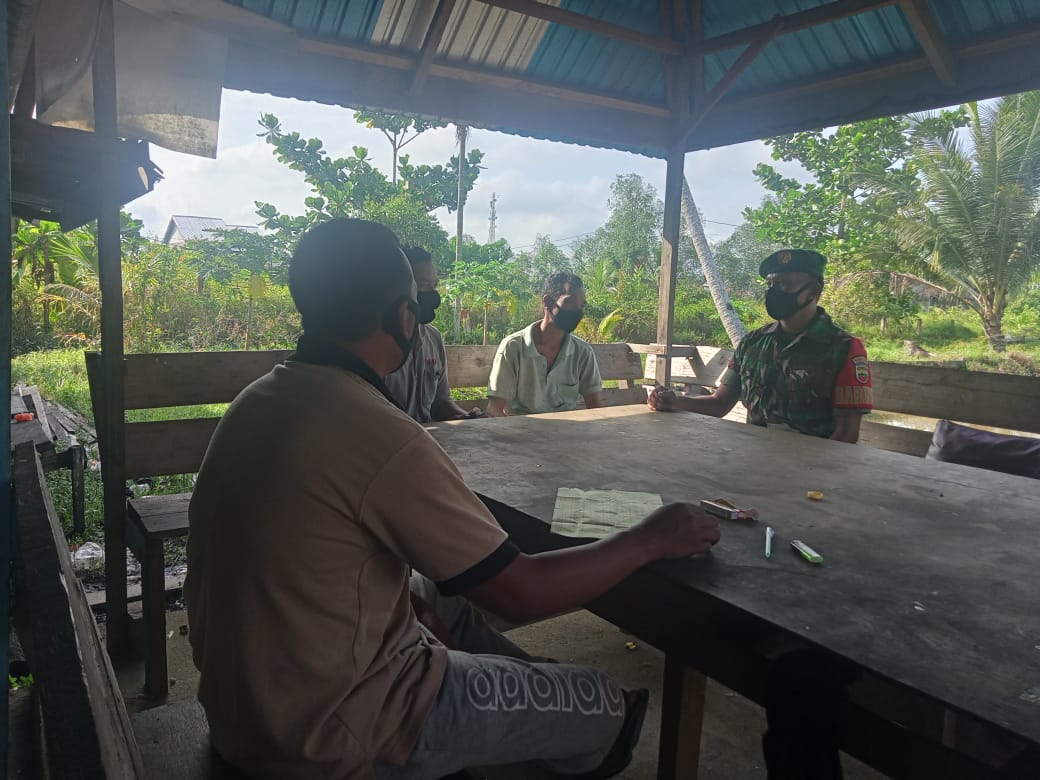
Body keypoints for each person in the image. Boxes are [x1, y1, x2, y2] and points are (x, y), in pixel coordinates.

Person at [184, 218, 721, 780]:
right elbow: (520, 593)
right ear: (402, 315)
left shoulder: (260, 398)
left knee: (444, 597)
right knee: (601, 700)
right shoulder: (376, 429)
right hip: (333, 733)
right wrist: (649, 538)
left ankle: (500, 704)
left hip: (248, 711)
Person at [647, 249, 873, 443]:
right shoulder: (754, 343)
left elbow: (846, 434)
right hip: (751, 456)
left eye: (785, 284)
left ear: (813, 291)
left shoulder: (843, 349)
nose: (774, 291)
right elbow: (720, 403)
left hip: (812, 469)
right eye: (771, 284)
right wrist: (676, 401)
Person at [385, 246, 483, 423]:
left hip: (430, 440)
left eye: (434, 286)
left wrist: (465, 418)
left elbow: (441, 402)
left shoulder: (433, 339)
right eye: (424, 285)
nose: (432, 294)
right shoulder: (380, 342)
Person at [487, 271, 603, 416]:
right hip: (521, 432)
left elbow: (596, 410)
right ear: (547, 302)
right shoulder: (513, 347)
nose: (577, 311)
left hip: (568, 432)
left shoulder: (583, 352)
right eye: (571, 303)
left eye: (581, 305)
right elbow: (494, 410)